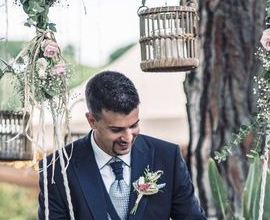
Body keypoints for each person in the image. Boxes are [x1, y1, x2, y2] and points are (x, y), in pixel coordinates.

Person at [38, 70, 206, 220]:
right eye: (116, 129)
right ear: (92, 121)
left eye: (133, 126)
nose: (128, 138)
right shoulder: (56, 169)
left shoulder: (168, 157)